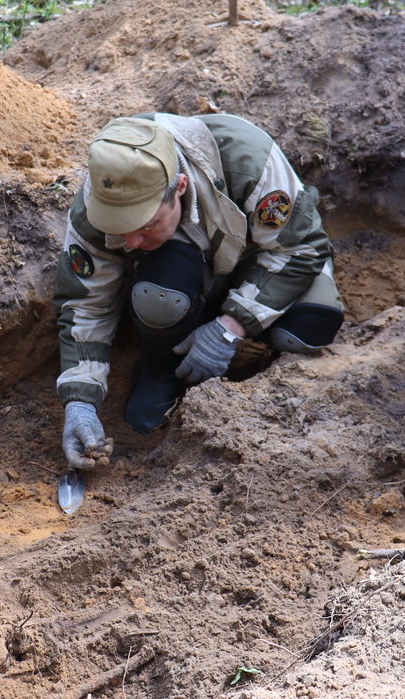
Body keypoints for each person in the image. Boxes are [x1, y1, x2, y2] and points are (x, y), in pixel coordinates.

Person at [56, 113, 344, 469]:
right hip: (173, 280)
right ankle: (163, 367)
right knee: (159, 300)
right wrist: (80, 401)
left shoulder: (247, 159)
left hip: (262, 262)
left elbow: (299, 248)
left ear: (178, 187)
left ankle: (239, 336)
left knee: (308, 327)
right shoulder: (96, 205)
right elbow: (86, 303)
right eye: (121, 227)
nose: (130, 241)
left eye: (145, 225)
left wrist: (231, 327)